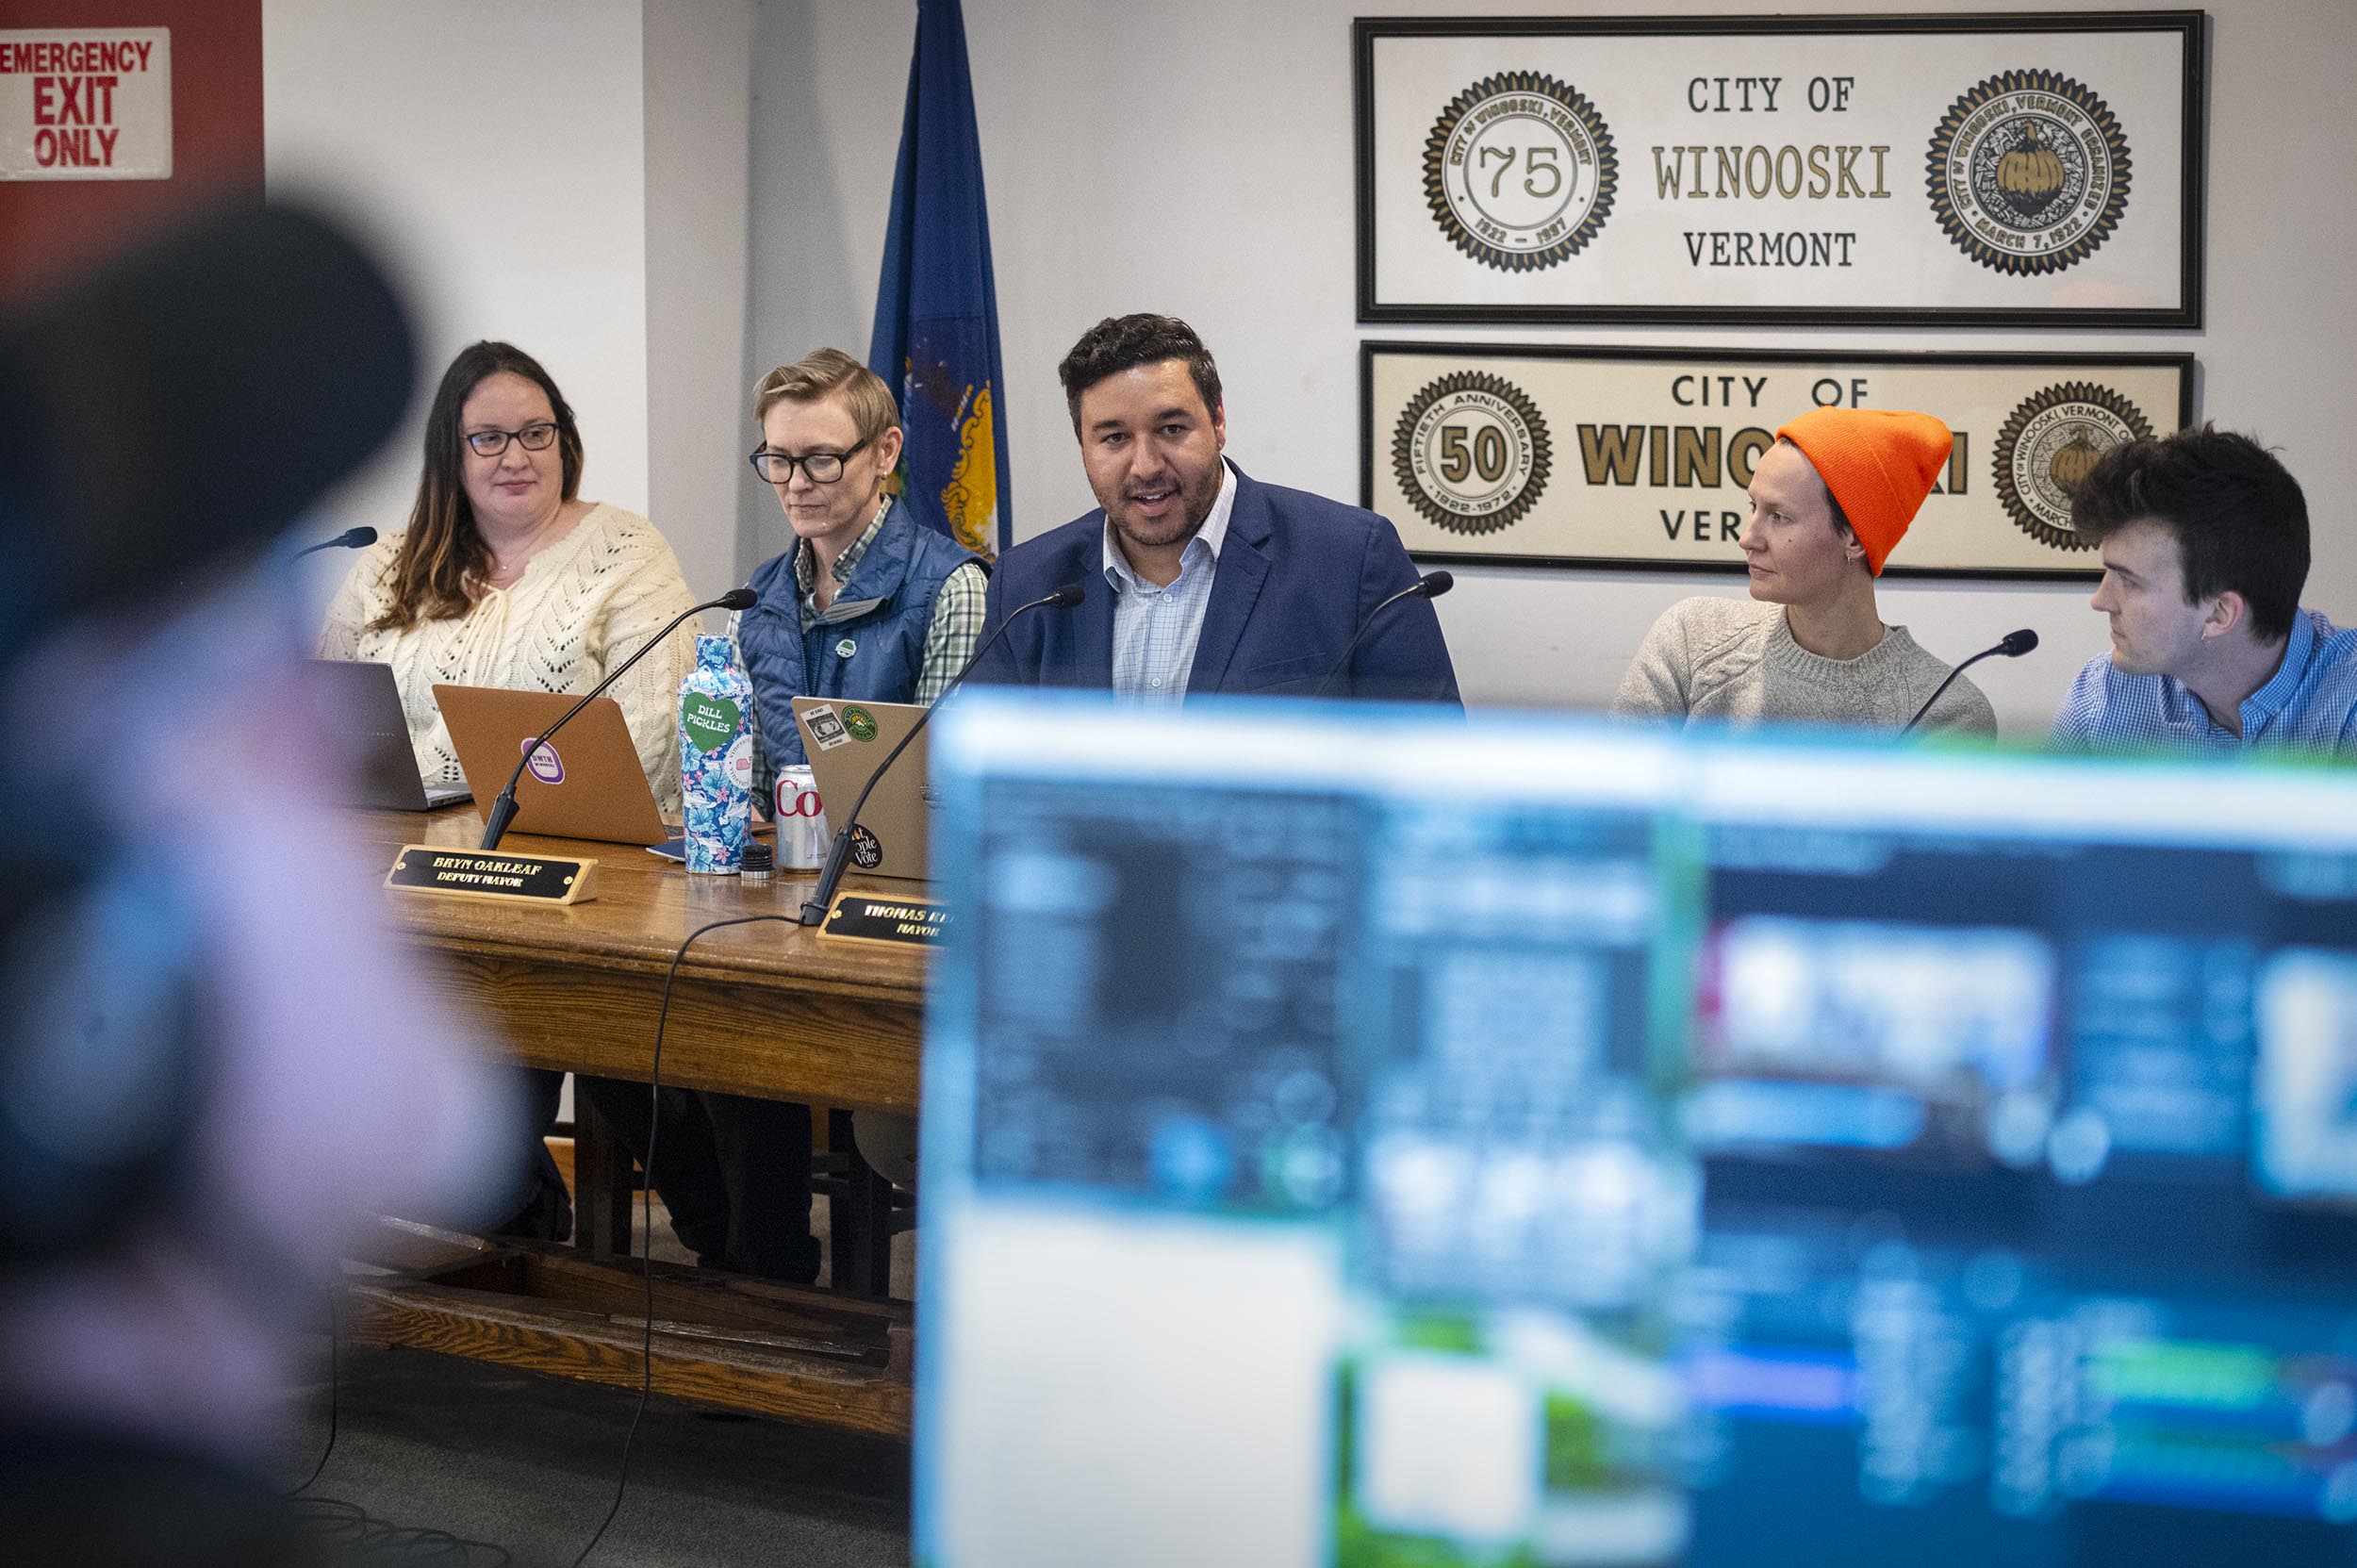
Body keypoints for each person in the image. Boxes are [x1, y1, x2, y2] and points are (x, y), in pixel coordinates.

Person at [583, 349, 981, 1280]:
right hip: (772, 902)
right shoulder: (756, 594)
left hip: (891, 908)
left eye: (819, 459)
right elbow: (746, 777)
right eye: (777, 460)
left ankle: (761, 1277)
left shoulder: (949, 585)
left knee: (743, 1027)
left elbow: (945, 795)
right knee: (608, 1019)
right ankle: (734, 1249)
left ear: (884, 452)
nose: (794, 483)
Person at [321, 340, 702, 1241]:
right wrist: (471, 770)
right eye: (487, 438)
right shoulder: (387, 562)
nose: (515, 456)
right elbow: (332, 718)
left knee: (537, 1028)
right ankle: (512, 1210)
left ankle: (544, 1213)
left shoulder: (625, 552)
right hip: (407, 884)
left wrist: (438, 774)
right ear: (449, 455)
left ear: (564, 439)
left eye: (536, 432)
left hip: (586, 890)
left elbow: (648, 736)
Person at [969, 313, 1459, 704]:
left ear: (1218, 420)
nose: (1145, 466)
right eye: (1114, 438)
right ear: (1083, 445)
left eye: (1171, 429)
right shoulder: (1028, 585)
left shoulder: (1350, 560)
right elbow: (978, 782)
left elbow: (1430, 768)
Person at [1613, 407, 1997, 734]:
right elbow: (1611, 803)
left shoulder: (1945, 711)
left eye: (1779, 517)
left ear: (1854, 539)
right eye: (1753, 508)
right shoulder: (1692, 637)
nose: (1748, 539)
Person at [2049, 424, 2357, 753]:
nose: (2100, 601)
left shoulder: (2346, 704)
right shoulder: (2103, 692)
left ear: (2219, 613)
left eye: (2129, 581)